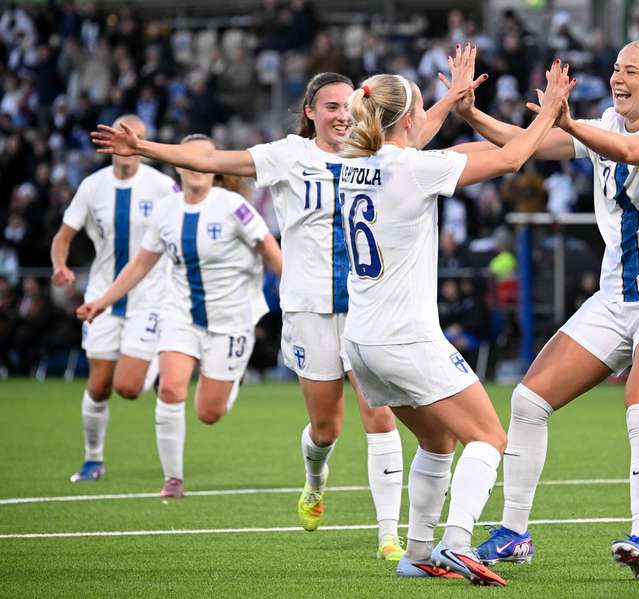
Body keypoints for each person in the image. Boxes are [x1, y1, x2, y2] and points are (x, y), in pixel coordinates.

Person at [90, 69, 458, 558]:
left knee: (380, 418)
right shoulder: (287, 156)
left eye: (349, 106)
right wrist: (147, 149)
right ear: (309, 112)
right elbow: (215, 159)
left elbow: (413, 131)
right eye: (330, 106)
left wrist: (451, 97)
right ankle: (314, 479)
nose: (341, 115)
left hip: (368, 311)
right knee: (326, 429)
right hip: (308, 311)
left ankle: (388, 534)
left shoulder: (371, 155)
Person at [454, 38, 639, 582]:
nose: (618, 78)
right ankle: (515, 533)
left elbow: (631, 154)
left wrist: (570, 124)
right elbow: (529, 145)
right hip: (616, 298)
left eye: (632, 72)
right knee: (528, 401)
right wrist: (471, 113)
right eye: (616, 69)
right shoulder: (603, 124)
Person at [338, 52, 574, 586]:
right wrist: (550, 110)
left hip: (361, 341)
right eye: (422, 109)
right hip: (405, 338)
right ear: (406, 121)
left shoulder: (354, 164)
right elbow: (513, 159)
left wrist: (450, 100)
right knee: (490, 438)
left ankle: (418, 551)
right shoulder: (416, 168)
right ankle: (457, 542)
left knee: (437, 441)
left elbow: (418, 138)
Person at [76, 134, 283, 498]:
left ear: (214, 166)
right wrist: (103, 301)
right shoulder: (165, 210)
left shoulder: (234, 206)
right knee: (170, 388)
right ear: (178, 164)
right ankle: (173, 480)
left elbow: (270, 249)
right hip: (181, 314)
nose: (196, 165)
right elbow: (141, 264)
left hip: (231, 320)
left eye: (204, 158)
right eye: (188, 158)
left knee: (209, 413)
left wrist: (298, 291)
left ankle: (233, 379)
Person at [50, 114, 176, 483]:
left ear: (144, 144)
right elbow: (62, 237)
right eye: (122, 134)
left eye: (136, 136)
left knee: (129, 388)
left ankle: (155, 356)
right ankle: (93, 459)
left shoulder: (162, 186)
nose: (128, 142)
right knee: (100, 384)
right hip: (102, 297)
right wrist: (60, 265)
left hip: (150, 298)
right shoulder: (92, 187)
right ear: (109, 142)